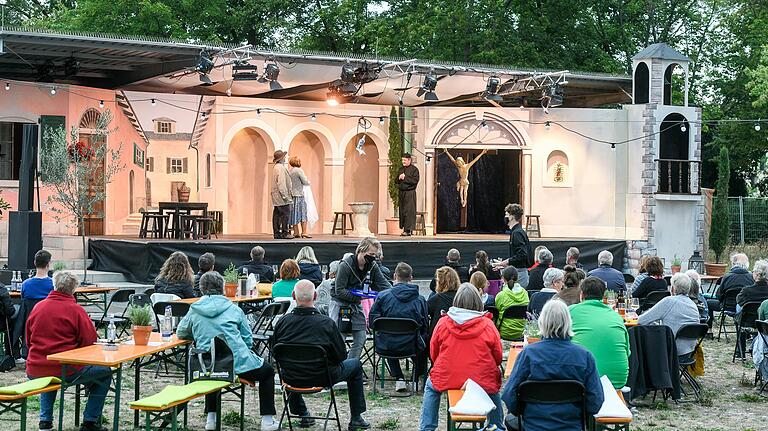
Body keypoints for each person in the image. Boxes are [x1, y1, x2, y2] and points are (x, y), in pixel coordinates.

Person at [177, 272, 279, 431]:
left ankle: (211, 418)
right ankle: (267, 420)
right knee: (267, 372)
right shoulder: (235, 309)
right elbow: (248, 339)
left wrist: (199, 334)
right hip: (237, 364)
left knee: (212, 366)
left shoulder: (194, 309)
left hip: (206, 365)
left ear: (202, 289)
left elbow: (181, 333)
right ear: (222, 288)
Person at [272, 281, 370, 430]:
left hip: (292, 377)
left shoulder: (282, 323)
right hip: (323, 376)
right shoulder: (327, 323)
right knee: (355, 364)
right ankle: (356, 417)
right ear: (316, 296)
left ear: (293, 296)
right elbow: (341, 356)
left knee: (290, 364)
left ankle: (302, 413)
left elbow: (276, 354)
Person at [26, 272, 112, 431]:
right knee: (105, 373)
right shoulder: (75, 310)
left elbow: (28, 339)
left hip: (35, 367)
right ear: (73, 289)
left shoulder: (38, 307)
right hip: (65, 368)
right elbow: (89, 341)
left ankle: (45, 421)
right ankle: (90, 421)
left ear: (54, 285)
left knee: (49, 374)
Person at [503, 299, 604, 431]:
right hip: (571, 425)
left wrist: (522, 412)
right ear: (568, 322)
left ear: (542, 322)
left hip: (533, 425)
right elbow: (595, 400)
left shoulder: (528, 354)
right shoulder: (584, 356)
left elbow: (509, 394)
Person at [419, 284, 505, 431]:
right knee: (492, 386)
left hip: (448, 376)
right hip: (480, 379)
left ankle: (427, 427)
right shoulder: (488, 324)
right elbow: (498, 356)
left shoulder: (443, 322)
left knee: (431, 387)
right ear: (478, 302)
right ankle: (496, 426)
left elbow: (434, 353)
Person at [368, 262, 429, 392]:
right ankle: (416, 377)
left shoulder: (383, 296)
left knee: (388, 335)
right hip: (412, 345)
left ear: (395, 276)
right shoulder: (420, 299)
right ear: (411, 278)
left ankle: (399, 378)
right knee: (423, 339)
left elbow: (372, 321)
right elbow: (425, 326)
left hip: (387, 346)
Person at [331, 237, 391, 360]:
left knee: (361, 338)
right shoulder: (345, 265)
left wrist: (394, 292)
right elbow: (339, 290)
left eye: (375, 255)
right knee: (339, 339)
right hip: (340, 304)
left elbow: (384, 284)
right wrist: (360, 297)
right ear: (361, 251)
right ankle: (339, 366)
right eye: (371, 254)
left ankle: (351, 365)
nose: (373, 257)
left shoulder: (372, 266)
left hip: (356, 304)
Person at [569, 277, 631, 389]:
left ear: (581, 295)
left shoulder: (571, 311)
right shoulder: (616, 316)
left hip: (581, 380)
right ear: (603, 296)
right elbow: (627, 352)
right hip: (617, 379)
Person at [637, 273, 700, 355]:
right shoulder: (693, 305)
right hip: (689, 350)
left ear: (673, 288)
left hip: (671, 349)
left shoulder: (669, 301)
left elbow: (641, 320)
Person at [16, 250, 54, 361]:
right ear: (48, 264)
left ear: (34, 263)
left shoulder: (25, 284)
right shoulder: (53, 284)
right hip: (48, 321)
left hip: (30, 321)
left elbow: (23, 302)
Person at [498, 204, 532, 288]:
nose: (505, 217)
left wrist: (507, 262)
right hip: (518, 273)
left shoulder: (517, 233)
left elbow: (522, 255)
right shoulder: (518, 231)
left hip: (519, 275)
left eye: (507, 215)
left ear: (512, 217)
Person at [495, 266, 530, 340]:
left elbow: (497, 311)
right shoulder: (525, 293)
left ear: (503, 279)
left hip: (504, 331)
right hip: (520, 331)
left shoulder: (500, 296)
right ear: (517, 278)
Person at [427, 266, 461, 338]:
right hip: (459, 335)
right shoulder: (462, 297)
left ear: (440, 282)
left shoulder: (435, 299)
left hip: (439, 336)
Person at [271, 150, 293, 239]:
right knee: (285, 214)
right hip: (280, 195)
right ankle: (285, 232)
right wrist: (285, 196)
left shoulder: (276, 167)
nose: (285, 158)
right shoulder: (280, 168)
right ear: (281, 158)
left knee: (277, 213)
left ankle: (277, 233)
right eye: (284, 157)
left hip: (276, 195)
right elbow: (281, 183)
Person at [396, 152, 419, 236]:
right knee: (402, 211)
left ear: (409, 160)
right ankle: (404, 228)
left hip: (410, 193)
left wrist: (405, 178)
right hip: (402, 193)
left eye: (405, 160)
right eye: (402, 160)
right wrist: (399, 178)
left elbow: (415, 181)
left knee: (409, 211)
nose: (403, 162)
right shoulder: (401, 169)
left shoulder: (414, 170)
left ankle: (408, 230)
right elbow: (396, 181)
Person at [288, 156, 312, 239]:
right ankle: (304, 232)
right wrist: (309, 182)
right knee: (303, 214)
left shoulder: (290, 171)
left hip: (292, 195)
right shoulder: (299, 171)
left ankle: (296, 232)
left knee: (294, 214)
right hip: (299, 195)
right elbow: (305, 181)